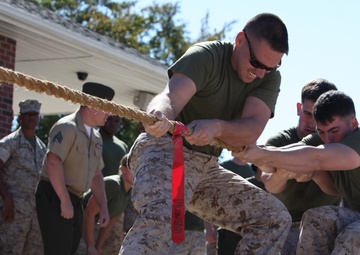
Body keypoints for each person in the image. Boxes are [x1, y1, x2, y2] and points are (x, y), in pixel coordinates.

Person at [120, 13, 291, 255]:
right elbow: (170, 97)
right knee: (160, 215)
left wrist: (216, 128)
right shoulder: (206, 56)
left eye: (271, 67)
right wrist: (159, 114)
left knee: (273, 218)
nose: (261, 73)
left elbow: (251, 129)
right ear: (240, 40)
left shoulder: (268, 77)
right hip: (166, 150)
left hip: (206, 167)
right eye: (257, 63)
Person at [234, 90, 360, 254]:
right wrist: (254, 153)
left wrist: (263, 155)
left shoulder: (356, 140)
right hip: (356, 214)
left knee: (354, 236)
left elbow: (317, 158)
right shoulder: (321, 140)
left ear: (354, 123)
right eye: (321, 131)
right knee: (316, 218)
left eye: (334, 131)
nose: (327, 139)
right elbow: (288, 154)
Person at [261, 78, 341, 254]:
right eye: (307, 114)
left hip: (327, 225)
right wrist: (283, 172)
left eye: (319, 117)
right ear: (298, 109)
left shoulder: (338, 146)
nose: (312, 123)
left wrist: (313, 170)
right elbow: (269, 184)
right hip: (286, 225)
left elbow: (336, 189)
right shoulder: (279, 142)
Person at [35, 82, 114, 255]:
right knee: (58, 251)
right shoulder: (67, 127)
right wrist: (64, 200)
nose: (110, 113)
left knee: (69, 250)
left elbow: (96, 175)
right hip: (55, 194)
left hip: (75, 199)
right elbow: (53, 162)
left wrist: (104, 207)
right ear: (94, 107)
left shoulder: (96, 137)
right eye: (107, 108)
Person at [0, 99, 46, 255]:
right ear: (20, 118)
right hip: (13, 209)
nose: (32, 118)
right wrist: (6, 198)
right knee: (10, 249)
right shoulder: (10, 142)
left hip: (35, 211)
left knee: (33, 251)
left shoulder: (41, 147)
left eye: (35, 115)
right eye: (28, 115)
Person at [82, 153, 133, 255]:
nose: (136, 172)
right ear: (123, 169)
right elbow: (88, 213)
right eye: (132, 167)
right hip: (76, 219)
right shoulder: (113, 185)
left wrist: (97, 248)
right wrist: (91, 247)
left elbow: (111, 220)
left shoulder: (130, 193)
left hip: (90, 224)